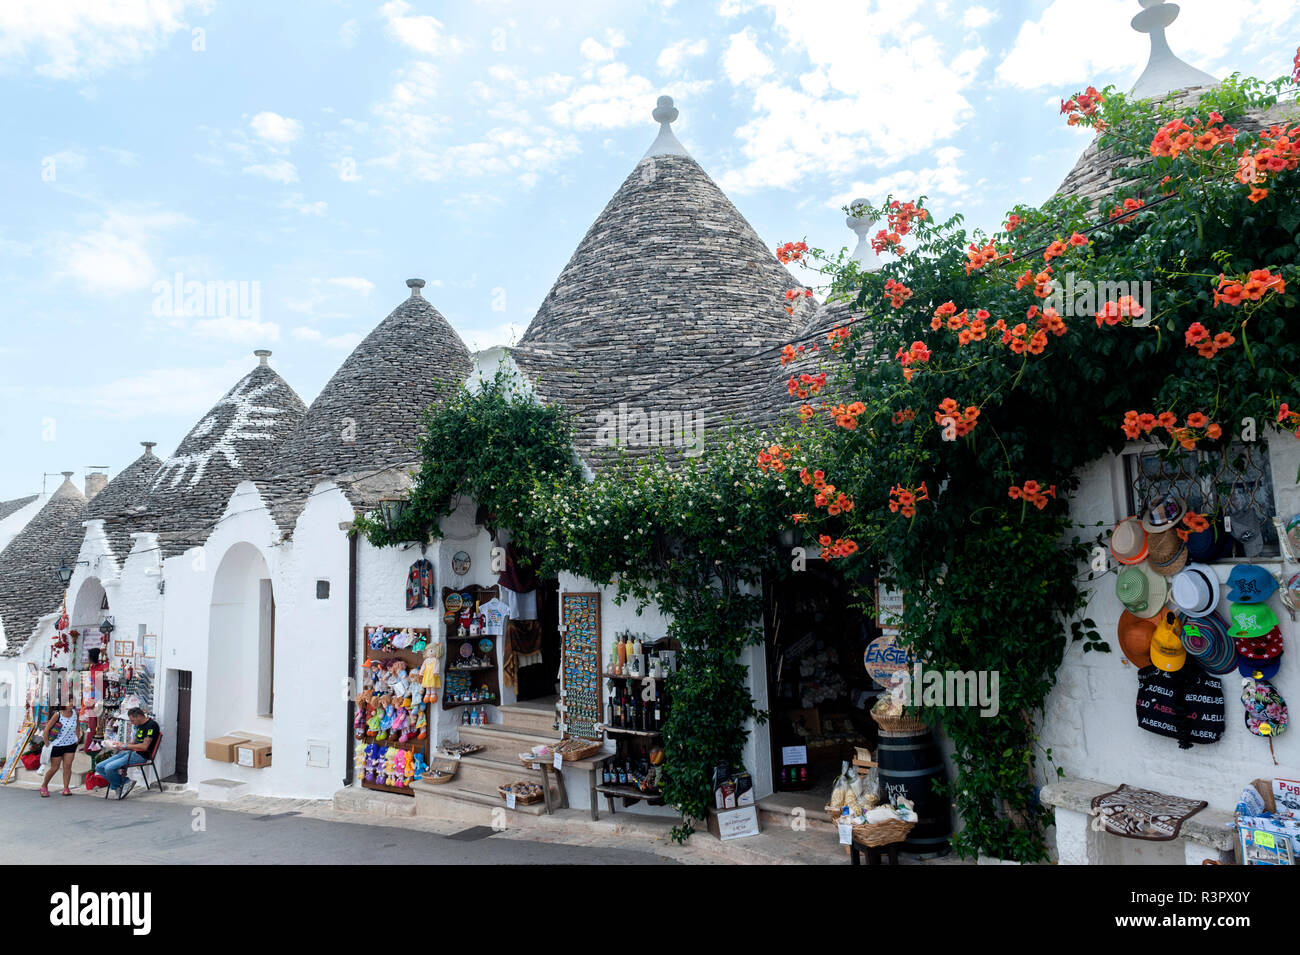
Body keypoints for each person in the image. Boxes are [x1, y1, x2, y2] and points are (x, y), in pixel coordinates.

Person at [97, 708, 159, 800]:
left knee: (109, 768)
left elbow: (144, 746)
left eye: (132, 720)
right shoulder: (139, 725)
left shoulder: (151, 725)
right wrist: (120, 744)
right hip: (131, 752)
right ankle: (124, 783)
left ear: (138, 716)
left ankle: (121, 785)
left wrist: (126, 746)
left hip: (141, 755)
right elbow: (134, 742)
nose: (132, 723)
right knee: (99, 767)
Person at [39, 701, 80, 797]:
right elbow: (46, 729)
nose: (71, 703)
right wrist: (47, 744)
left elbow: (77, 727)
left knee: (68, 766)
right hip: (57, 745)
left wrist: (77, 738)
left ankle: (66, 788)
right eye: (69, 702)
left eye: (72, 701)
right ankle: (44, 785)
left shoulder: (75, 713)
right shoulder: (58, 715)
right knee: (54, 768)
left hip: (70, 744)